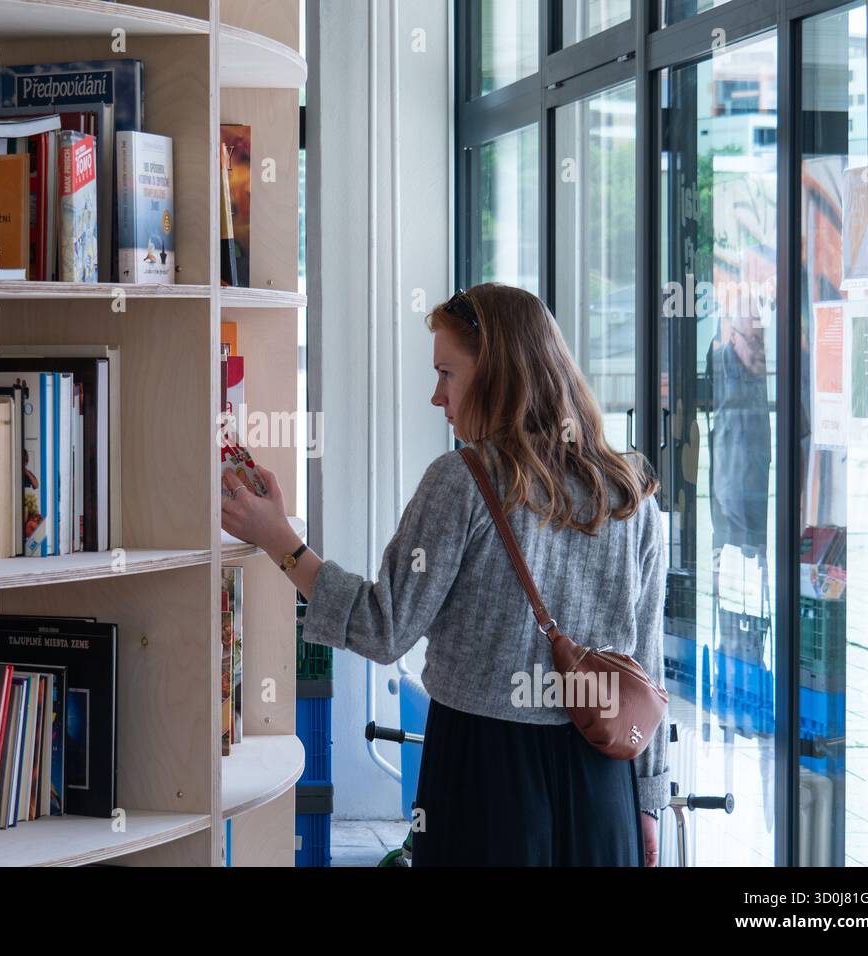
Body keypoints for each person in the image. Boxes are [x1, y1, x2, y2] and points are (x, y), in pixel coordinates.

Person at [220, 282, 669, 867]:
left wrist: (279, 540)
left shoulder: (461, 482)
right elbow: (648, 667)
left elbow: (384, 629)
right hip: (606, 776)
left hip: (483, 777)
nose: (437, 397)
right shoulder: (630, 496)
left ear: (498, 376)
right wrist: (650, 800)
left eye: (447, 374)